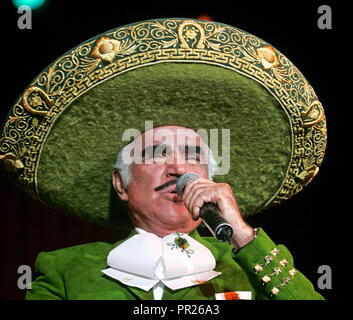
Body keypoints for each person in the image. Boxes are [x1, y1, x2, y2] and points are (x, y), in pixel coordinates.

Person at [25, 125, 324, 300]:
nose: (179, 169)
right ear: (121, 184)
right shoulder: (64, 268)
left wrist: (242, 235)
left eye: (193, 156)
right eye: (156, 154)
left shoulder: (256, 266)